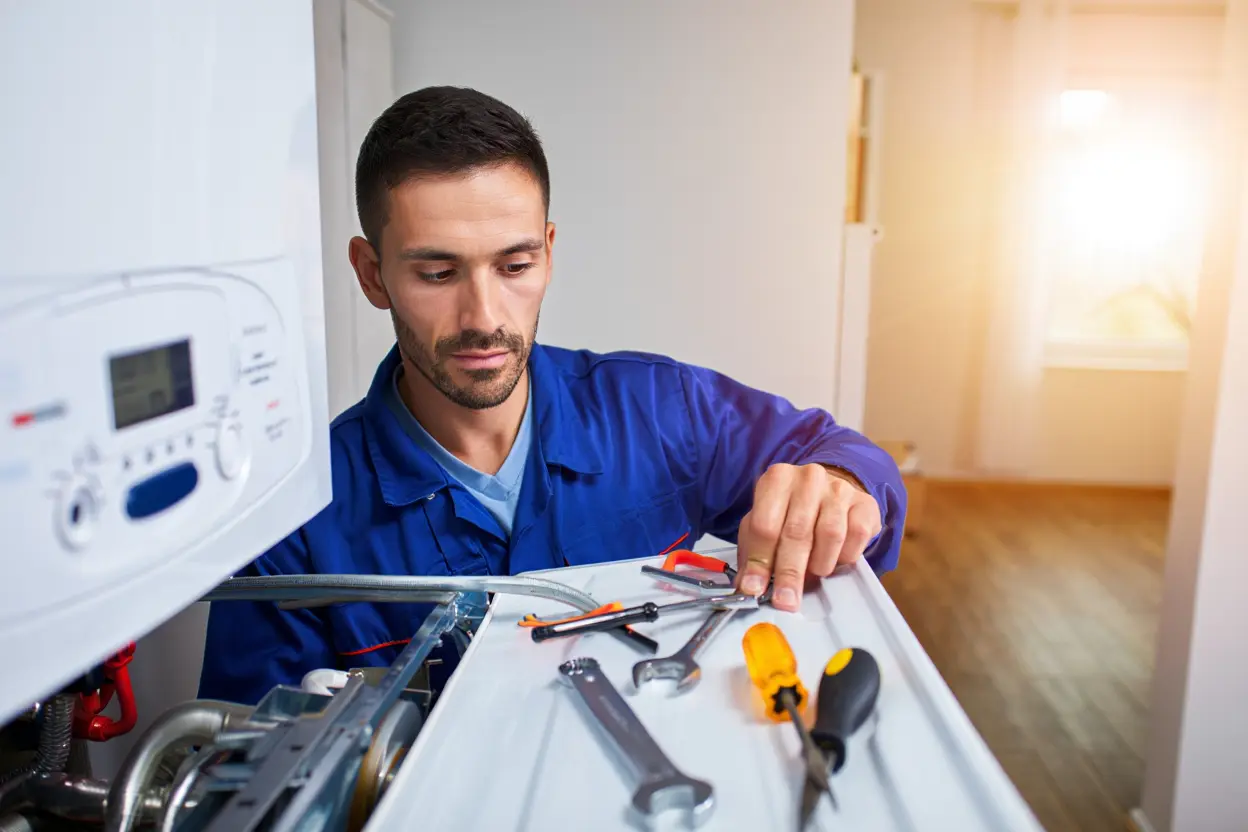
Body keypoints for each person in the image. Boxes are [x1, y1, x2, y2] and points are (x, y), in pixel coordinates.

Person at [199, 86, 907, 704]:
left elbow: (846, 457)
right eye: (438, 273)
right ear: (372, 273)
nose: (483, 317)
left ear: (548, 250)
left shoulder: (657, 410)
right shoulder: (297, 518)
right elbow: (252, 765)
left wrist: (838, 487)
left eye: (515, 265)